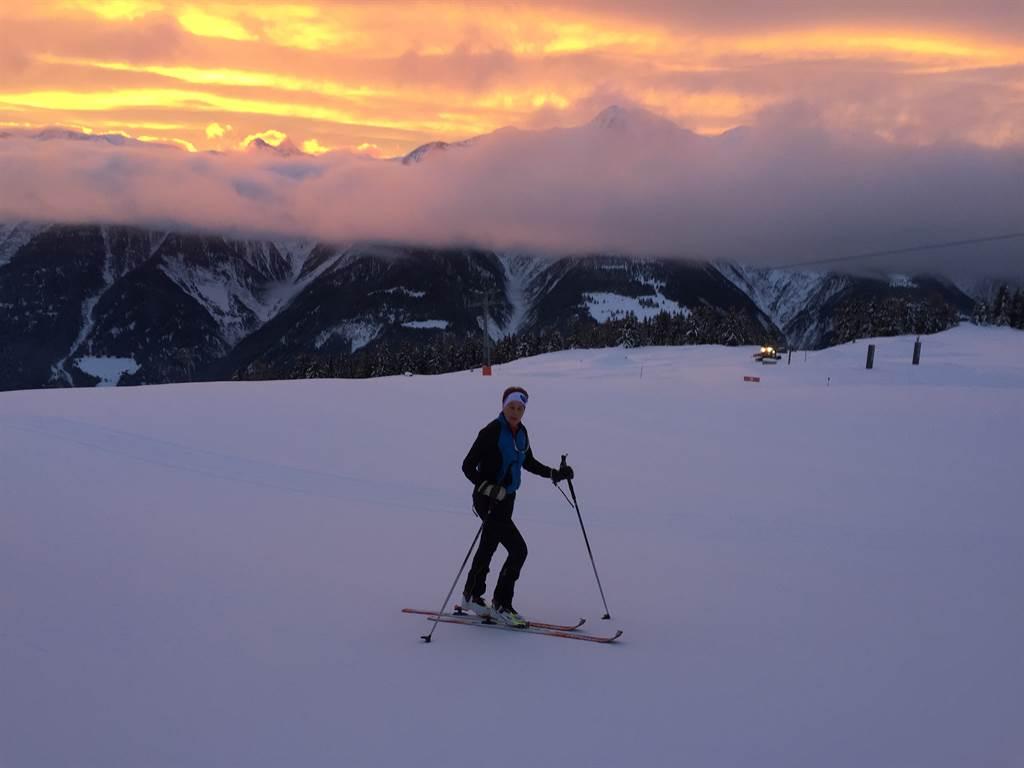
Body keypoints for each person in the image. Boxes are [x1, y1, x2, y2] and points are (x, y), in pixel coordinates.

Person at [460, 386, 574, 626]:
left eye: (520, 408)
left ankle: (471, 596)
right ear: (503, 406)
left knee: (489, 545)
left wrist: (555, 473)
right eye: (511, 406)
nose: (515, 411)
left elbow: (528, 461)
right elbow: (468, 466)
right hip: (487, 500)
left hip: (507, 500)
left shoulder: (521, 433)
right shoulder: (491, 431)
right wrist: (489, 488)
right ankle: (502, 604)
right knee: (518, 549)